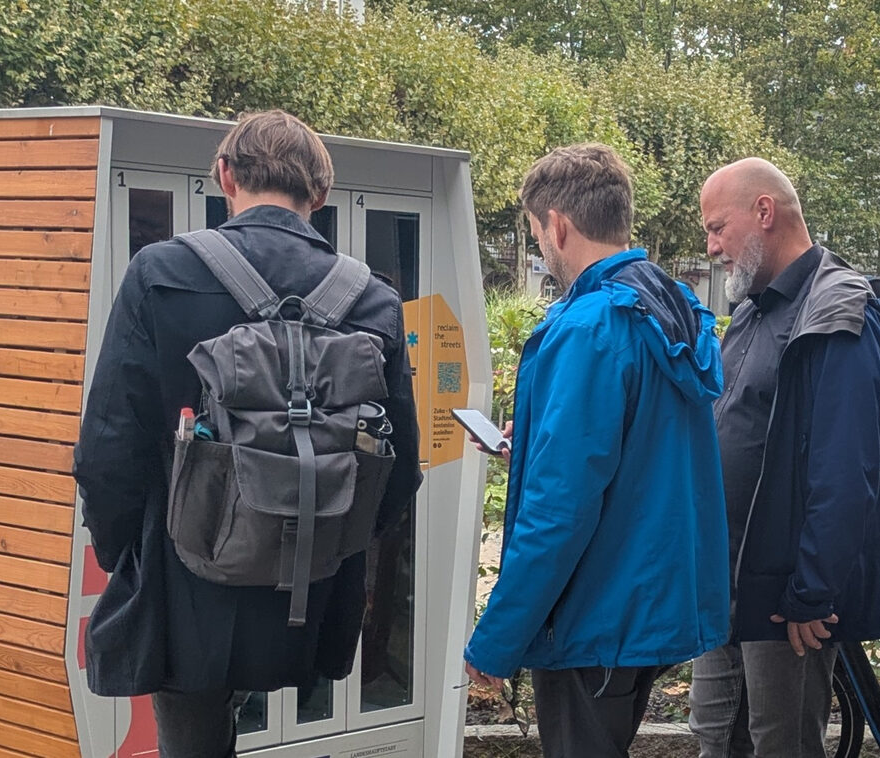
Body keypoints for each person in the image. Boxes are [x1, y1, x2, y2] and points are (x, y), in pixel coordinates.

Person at [72, 110, 422, 757]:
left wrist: (132, 552)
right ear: (319, 195)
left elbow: (107, 451)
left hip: (184, 579)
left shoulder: (159, 273)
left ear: (224, 176)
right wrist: (327, 548)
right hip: (310, 593)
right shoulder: (372, 300)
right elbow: (399, 470)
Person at [463, 143, 730, 758]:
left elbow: (559, 510)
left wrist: (498, 639)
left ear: (557, 224)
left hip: (595, 616)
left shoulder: (589, 328)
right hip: (651, 605)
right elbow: (642, 454)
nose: (541, 250)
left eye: (536, 235)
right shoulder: (675, 310)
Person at [689, 157, 880, 757]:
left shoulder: (838, 311)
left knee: (782, 743)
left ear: (764, 213)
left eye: (718, 228)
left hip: (784, 597)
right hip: (725, 578)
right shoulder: (749, 312)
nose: (714, 247)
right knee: (713, 737)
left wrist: (811, 592)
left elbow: (847, 469)